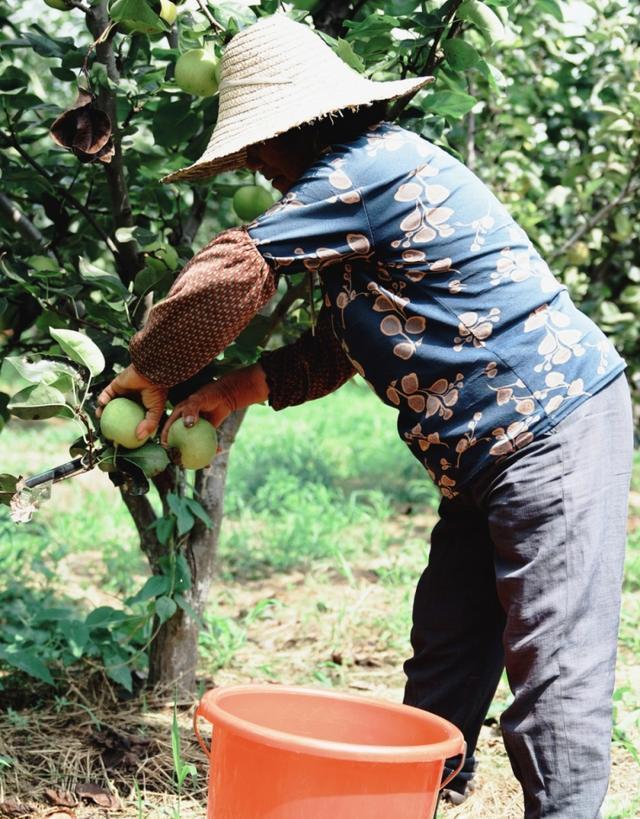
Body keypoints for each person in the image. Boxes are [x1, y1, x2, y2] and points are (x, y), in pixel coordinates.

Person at [96, 14, 634, 818]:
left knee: (554, 670)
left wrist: (148, 369)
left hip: (552, 432)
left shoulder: (365, 169)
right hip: (489, 456)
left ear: (294, 130)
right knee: (448, 649)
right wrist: (238, 387)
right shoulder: (354, 200)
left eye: (257, 154)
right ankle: (404, 799)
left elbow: (232, 273)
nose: (261, 173)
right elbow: (345, 344)